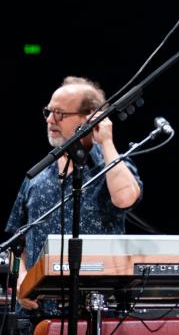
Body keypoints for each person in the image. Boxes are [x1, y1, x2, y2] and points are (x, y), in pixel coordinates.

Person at [5, 76, 143, 323]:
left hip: (99, 316)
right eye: (48, 112)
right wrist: (22, 278)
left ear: (89, 118)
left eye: (59, 114)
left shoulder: (110, 167)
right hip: (37, 318)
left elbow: (125, 198)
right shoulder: (36, 177)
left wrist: (107, 142)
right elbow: (18, 242)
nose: (49, 120)